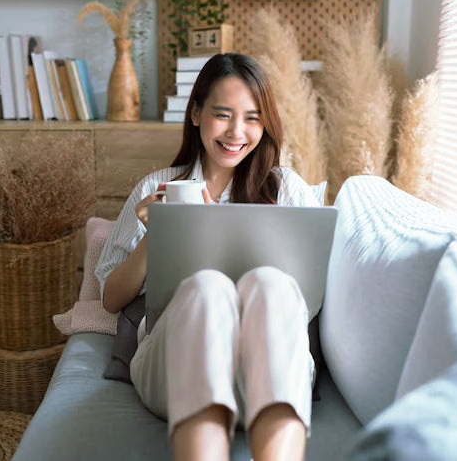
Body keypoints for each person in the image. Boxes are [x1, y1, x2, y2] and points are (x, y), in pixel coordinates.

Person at [95, 53, 320, 460]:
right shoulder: (158, 186)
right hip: (176, 360)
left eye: (253, 118)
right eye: (223, 115)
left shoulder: (285, 190)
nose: (237, 132)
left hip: (267, 367)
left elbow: (312, 293)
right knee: (208, 287)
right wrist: (157, 232)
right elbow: (111, 298)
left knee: (269, 284)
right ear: (196, 113)